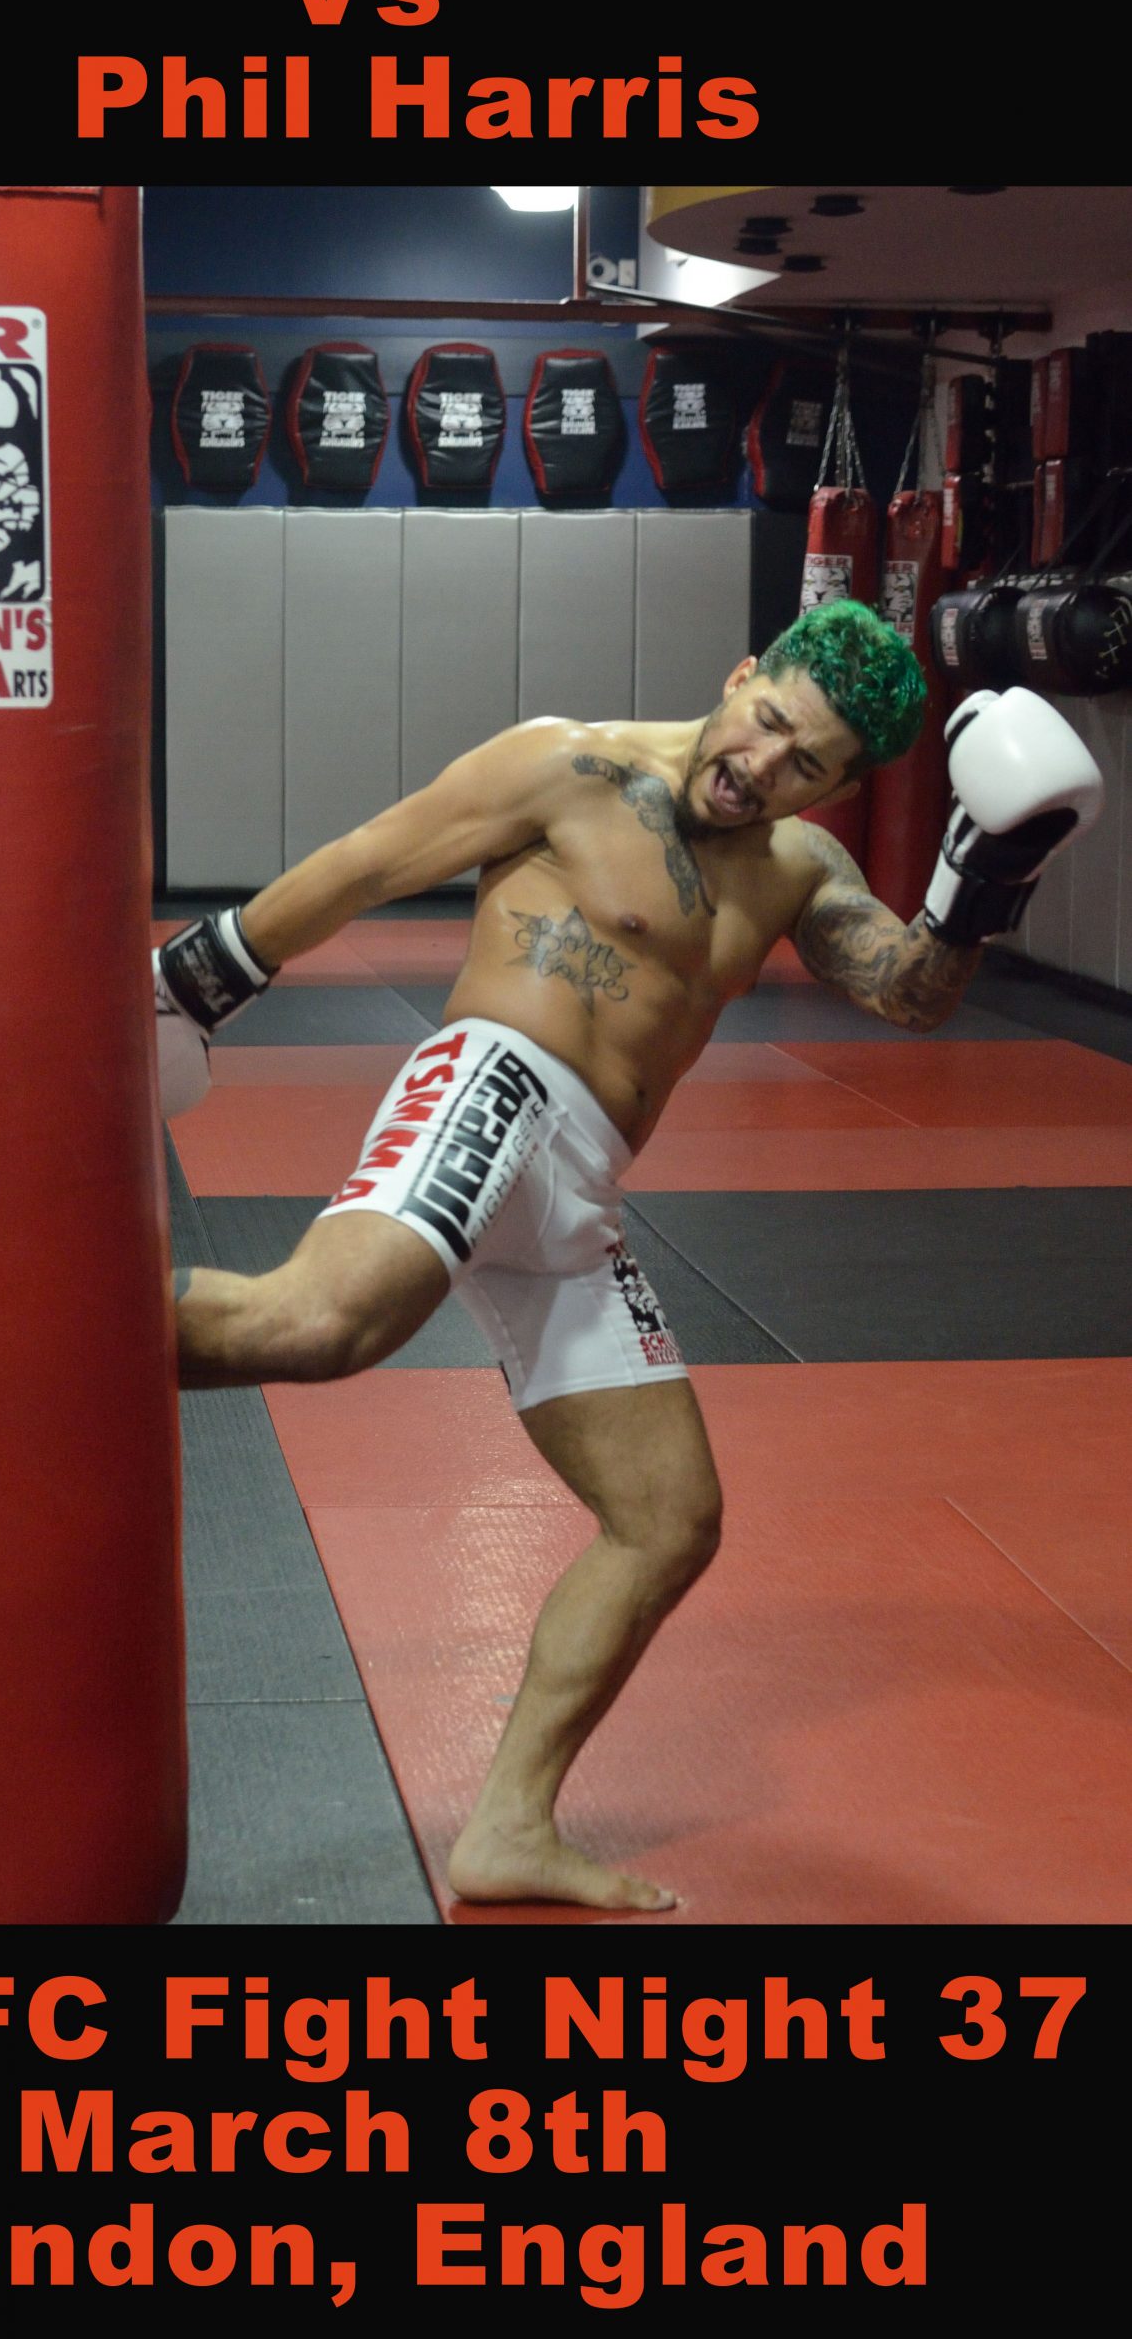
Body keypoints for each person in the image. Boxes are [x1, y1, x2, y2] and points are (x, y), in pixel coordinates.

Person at [154, 598, 1103, 1914]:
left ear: (833, 786)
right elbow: (373, 860)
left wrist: (982, 879)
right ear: (739, 676)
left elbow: (910, 993)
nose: (763, 765)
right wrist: (191, 983)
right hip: (494, 1084)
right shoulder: (569, 761)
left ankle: (507, 1829)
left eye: (806, 763)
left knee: (667, 1522)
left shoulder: (799, 871)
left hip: (583, 1189)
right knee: (320, 1330)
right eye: (766, 722)